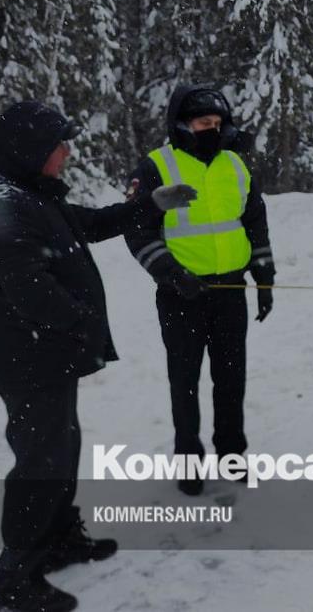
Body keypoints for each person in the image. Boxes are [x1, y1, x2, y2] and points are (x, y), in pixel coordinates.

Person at [0, 101, 159, 612]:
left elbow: (88, 224)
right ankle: (15, 577)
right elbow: (30, 292)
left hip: (49, 358)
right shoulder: (2, 204)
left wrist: (151, 204)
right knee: (39, 464)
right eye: (59, 145)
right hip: (27, 361)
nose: (68, 153)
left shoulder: (32, 194)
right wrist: (83, 319)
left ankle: (60, 539)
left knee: (61, 451)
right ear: (33, 150)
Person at [124, 84, 275, 496]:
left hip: (230, 290)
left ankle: (232, 453)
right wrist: (172, 273)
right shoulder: (156, 167)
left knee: (231, 379)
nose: (211, 129)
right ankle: (189, 458)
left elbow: (254, 220)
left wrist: (264, 276)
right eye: (202, 123)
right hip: (181, 296)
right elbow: (137, 231)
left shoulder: (235, 165)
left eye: (217, 123)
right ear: (181, 124)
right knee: (185, 381)